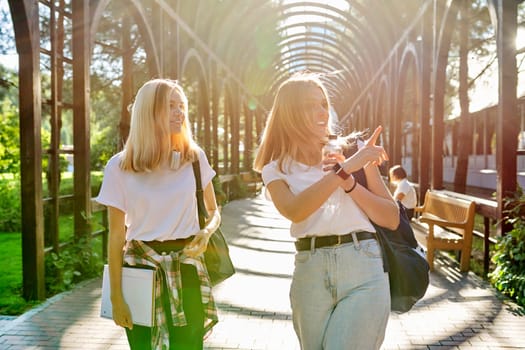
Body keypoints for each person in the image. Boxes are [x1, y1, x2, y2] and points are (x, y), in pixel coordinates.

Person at [253, 72, 399, 350]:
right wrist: (344, 170)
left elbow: (390, 218)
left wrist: (351, 182)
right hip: (310, 271)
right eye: (311, 105)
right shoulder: (276, 169)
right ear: (291, 113)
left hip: (363, 266)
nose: (323, 112)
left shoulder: (355, 150)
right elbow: (295, 211)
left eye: (323, 103)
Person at [96, 79, 221, 350]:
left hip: (186, 267)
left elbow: (214, 211)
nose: (180, 113)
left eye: (182, 106)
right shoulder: (119, 166)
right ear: (149, 112)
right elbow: (116, 237)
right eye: (171, 106)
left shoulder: (194, 158)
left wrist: (206, 232)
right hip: (140, 272)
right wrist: (116, 297)